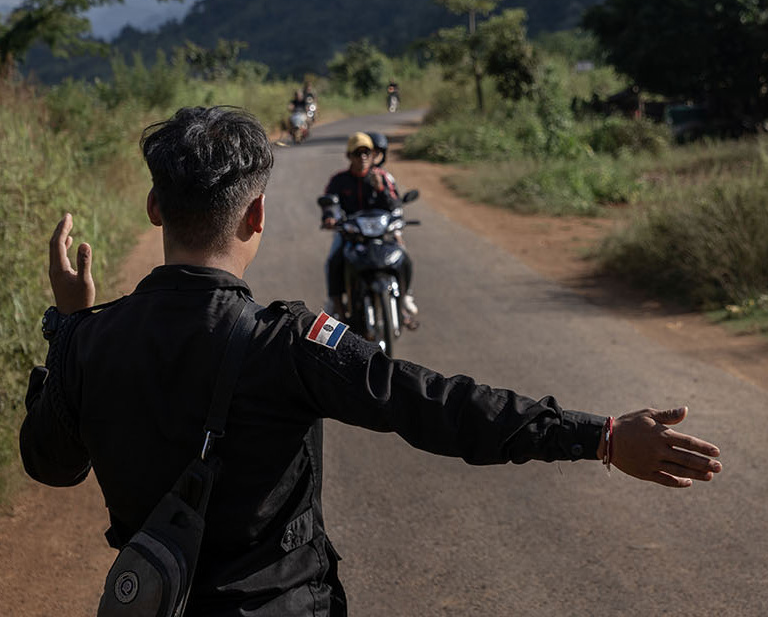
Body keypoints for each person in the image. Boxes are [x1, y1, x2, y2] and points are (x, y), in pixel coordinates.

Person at [20, 106, 722, 617]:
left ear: (155, 207)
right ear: (257, 214)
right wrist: (599, 436)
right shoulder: (290, 342)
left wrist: (70, 326)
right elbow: (436, 406)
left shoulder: (88, 339)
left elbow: (51, 464)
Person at [321, 131, 416, 323]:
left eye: (367, 153)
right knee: (333, 261)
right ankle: (335, 307)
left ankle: (404, 298)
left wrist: (380, 189)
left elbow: (394, 205)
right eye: (358, 153)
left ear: (373, 155)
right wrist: (330, 217)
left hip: (381, 233)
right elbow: (330, 203)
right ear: (349, 156)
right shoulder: (339, 180)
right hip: (351, 233)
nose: (363, 157)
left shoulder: (383, 177)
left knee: (403, 257)